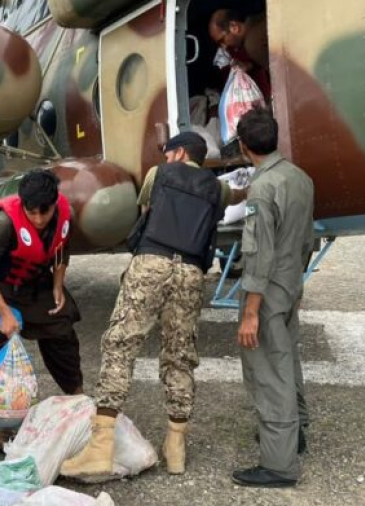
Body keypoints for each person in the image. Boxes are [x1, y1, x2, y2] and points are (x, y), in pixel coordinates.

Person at [61, 132, 245, 477]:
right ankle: (176, 446)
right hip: (190, 271)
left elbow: (147, 210)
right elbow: (227, 200)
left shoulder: (158, 175)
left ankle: (101, 447)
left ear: (177, 154)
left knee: (121, 345)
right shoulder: (215, 187)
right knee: (180, 355)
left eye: (167, 152)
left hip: (152, 262)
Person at [0, 169, 83, 453]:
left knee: (61, 327)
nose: (39, 219)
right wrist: (4, 313)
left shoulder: (64, 213)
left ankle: (77, 396)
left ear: (55, 203)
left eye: (46, 212)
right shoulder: (5, 223)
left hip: (35, 283)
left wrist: (58, 283)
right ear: (23, 204)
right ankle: (3, 423)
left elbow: (62, 248)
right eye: (33, 213)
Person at [230, 109, 314, 488]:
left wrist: (250, 312)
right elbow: (306, 240)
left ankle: (279, 465)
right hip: (290, 282)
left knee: (268, 372)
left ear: (245, 147)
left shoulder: (262, 189)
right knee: (288, 361)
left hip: (267, 292)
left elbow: (258, 254)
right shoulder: (300, 178)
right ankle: (295, 435)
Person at [209, 8, 272, 105]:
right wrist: (249, 66)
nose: (224, 46)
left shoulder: (252, 43)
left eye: (222, 40)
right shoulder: (254, 21)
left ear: (234, 27)